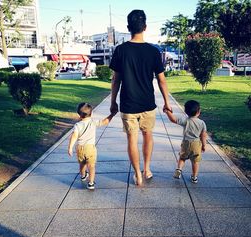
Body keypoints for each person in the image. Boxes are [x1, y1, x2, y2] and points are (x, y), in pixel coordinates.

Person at [109, 9, 172, 186]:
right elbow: (162, 81)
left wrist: (113, 103)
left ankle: (137, 174)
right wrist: (167, 103)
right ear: (145, 27)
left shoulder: (120, 50)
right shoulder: (153, 51)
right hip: (147, 104)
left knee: (131, 139)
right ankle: (147, 168)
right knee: (148, 136)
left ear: (129, 27)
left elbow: (116, 80)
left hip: (128, 105)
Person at [68, 102, 117, 190]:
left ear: (79, 115)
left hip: (80, 148)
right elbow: (105, 121)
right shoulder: (93, 122)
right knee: (91, 166)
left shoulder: (77, 125)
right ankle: (90, 183)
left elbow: (74, 136)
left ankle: (83, 176)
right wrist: (112, 115)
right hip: (90, 148)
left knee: (82, 164)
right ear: (91, 114)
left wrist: (70, 147)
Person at [164, 100, 207, 184]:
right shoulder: (202, 123)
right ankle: (194, 177)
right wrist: (204, 145)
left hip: (186, 143)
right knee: (195, 161)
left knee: (182, 157)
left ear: (186, 111)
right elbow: (203, 135)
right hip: (196, 144)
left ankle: (179, 169)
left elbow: (173, 119)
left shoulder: (186, 120)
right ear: (199, 112)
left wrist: (167, 112)